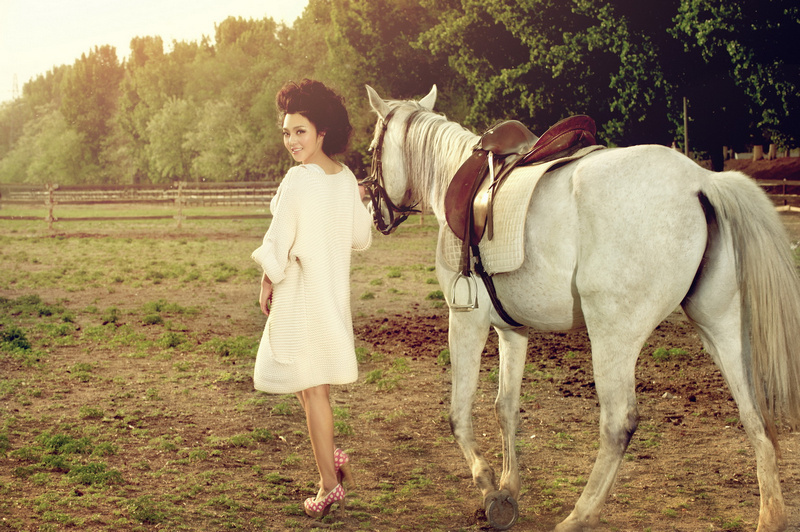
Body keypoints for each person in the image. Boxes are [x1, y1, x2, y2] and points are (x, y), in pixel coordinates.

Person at [251, 79, 372, 519]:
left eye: (300, 131)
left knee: (312, 389)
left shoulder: (299, 180)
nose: (291, 141)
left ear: (322, 132)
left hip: (302, 294)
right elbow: (360, 237)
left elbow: (278, 238)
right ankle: (330, 460)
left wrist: (267, 281)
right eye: (286, 132)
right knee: (309, 388)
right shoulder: (345, 180)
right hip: (330, 294)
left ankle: (328, 485)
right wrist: (355, 201)